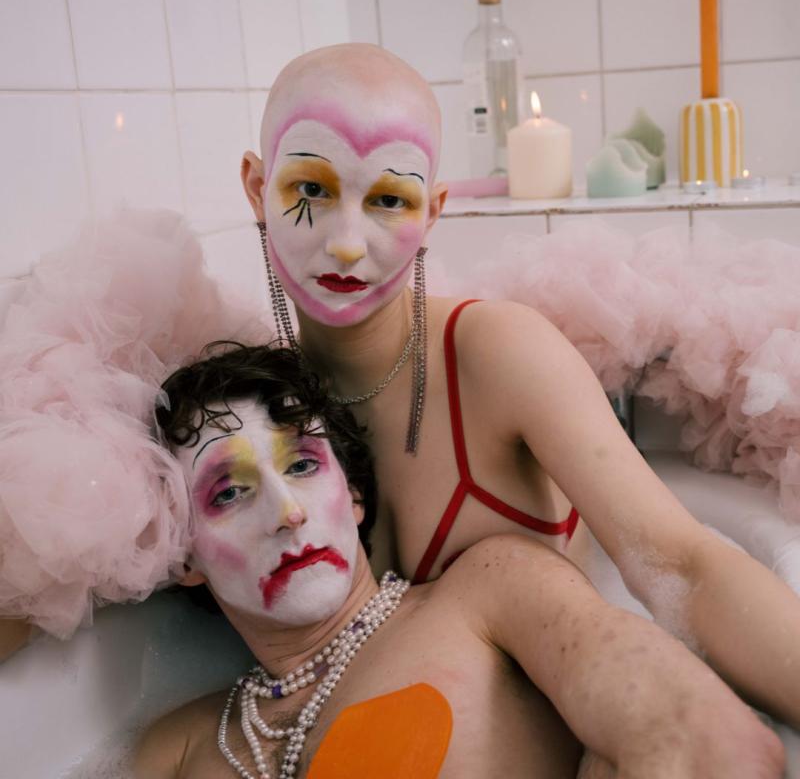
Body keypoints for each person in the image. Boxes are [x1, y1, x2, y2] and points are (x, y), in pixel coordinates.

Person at [238, 42, 800, 728]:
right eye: (312, 189)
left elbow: (685, 567)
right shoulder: (254, 415)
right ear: (255, 188)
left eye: (389, 199)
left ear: (434, 211)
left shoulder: (496, 352)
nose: (348, 241)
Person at [135, 343, 782, 779]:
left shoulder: (485, 593)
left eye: (303, 465)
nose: (288, 511)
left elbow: (708, 745)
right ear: (182, 551)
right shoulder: (179, 748)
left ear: (353, 495)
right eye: (229, 492)